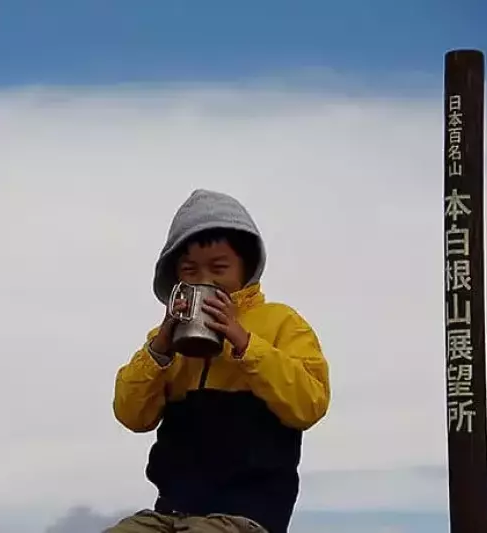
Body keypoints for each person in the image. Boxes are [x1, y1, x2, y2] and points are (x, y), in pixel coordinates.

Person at [106, 189, 330, 533]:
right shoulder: (165, 340)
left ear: (246, 269)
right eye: (190, 270)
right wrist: (159, 349)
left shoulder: (281, 323)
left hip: (247, 513)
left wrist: (245, 344)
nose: (204, 280)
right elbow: (131, 414)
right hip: (172, 511)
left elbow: (309, 404)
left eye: (219, 268)